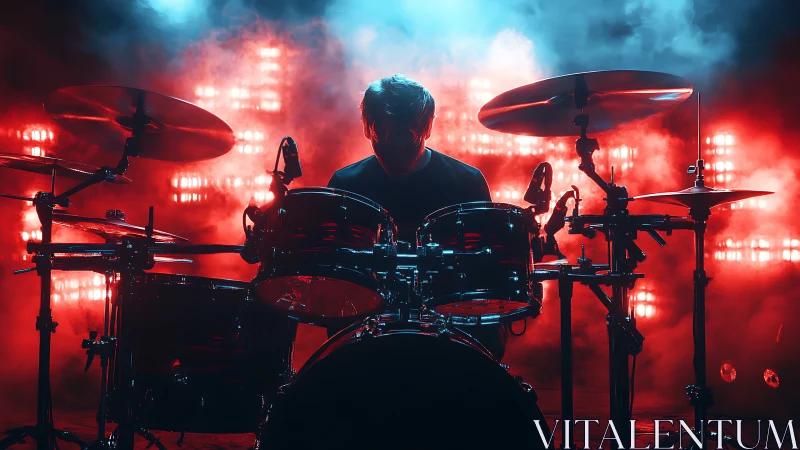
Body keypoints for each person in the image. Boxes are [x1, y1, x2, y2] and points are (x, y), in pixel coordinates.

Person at [327, 74, 508, 359]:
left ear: (428, 128)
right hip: (365, 329)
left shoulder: (466, 182)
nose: (396, 154)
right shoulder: (346, 185)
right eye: (383, 142)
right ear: (366, 128)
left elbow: (485, 271)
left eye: (407, 141)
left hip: (450, 330)